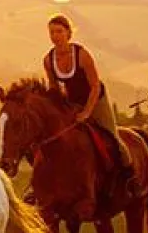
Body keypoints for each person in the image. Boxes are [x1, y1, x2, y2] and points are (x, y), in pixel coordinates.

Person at [43, 13, 139, 199]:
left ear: (68, 33)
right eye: (52, 32)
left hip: (96, 99)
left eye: (59, 31)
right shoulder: (48, 60)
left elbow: (95, 85)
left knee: (112, 136)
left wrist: (87, 112)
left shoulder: (82, 55)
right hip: (73, 103)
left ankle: (130, 177)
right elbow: (54, 88)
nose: (55, 36)